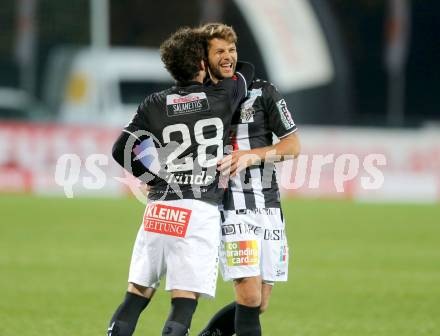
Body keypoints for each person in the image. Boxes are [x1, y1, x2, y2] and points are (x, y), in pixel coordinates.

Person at [108, 26, 254, 336]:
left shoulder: (154, 103)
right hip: (199, 209)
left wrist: (150, 177)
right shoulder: (224, 94)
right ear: (203, 62)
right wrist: (210, 42)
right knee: (184, 302)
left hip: (160, 206)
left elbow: (120, 149)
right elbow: (243, 70)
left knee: (135, 296)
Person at [197, 23, 301, 336]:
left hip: (268, 206)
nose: (227, 56)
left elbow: (292, 146)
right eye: (220, 51)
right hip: (230, 206)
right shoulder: (199, 98)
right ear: (205, 58)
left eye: (231, 50)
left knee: (260, 302)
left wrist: (252, 156)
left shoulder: (263, 91)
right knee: (249, 294)